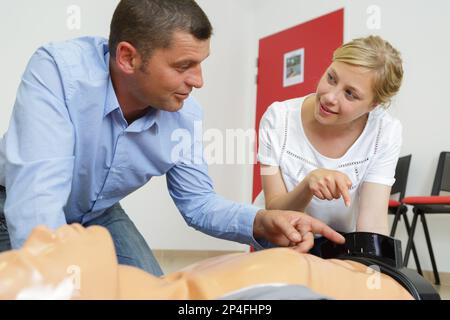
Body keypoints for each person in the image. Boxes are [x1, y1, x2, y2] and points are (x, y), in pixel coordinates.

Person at [0, 0, 345, 276]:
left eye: (201, 63)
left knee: (152, 290)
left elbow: (198, 203)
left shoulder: (184, 116)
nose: (198, 81)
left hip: (99, 212)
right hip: (12, 200)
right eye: (184, 66)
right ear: (128, 57)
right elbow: (37, 197)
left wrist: (260, 221)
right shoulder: (60, 72)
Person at [258, 35, 404, 253]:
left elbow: (372, 222)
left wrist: (373, 274)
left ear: (373, 105)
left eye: (350, 94)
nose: (329, 97)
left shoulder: (385, 132)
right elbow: (275, 208)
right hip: (282, 236)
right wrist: (307, 186)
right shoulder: (277, 119)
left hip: (338, 240)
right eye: (331, 78)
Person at [0, 224, 413, 300]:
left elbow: (198, 203)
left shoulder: (175, 290)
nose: (40, 234)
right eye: (34, 261)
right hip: (389, 284)